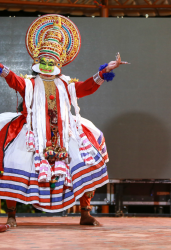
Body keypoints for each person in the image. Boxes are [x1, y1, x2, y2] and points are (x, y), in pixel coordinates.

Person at [0, 14, 128, 227]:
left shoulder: (66, 86)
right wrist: (2, 68)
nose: (48, 66)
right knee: (14, 162)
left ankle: (85, 213)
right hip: (33, 133)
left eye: (51, 62)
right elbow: (13, 80)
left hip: (64, 133)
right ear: (37, 61)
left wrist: (105, 71)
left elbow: (86, 87)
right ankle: (12, 215)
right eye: (44, 62)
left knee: (86, 162)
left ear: (58, 62)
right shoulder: (29, 84)